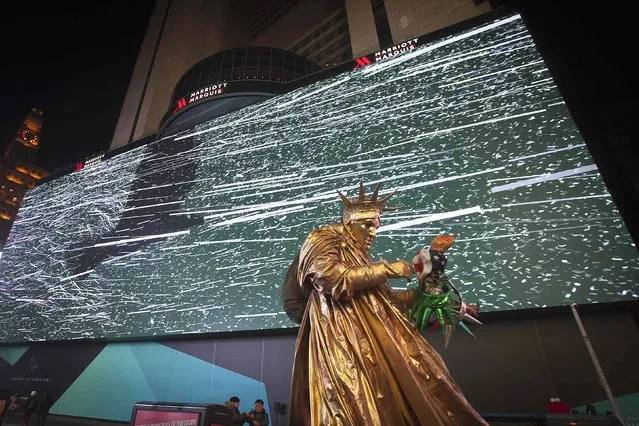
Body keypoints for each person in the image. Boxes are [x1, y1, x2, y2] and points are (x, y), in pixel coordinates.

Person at [286, 183, 487, 425]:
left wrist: (424, 293)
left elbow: (385, 302)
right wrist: (388, 269)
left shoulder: (361, 258)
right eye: (367, 225)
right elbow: (329, 277)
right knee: (353, 403)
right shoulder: (324, 237)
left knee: (421, 386)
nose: (372, 233)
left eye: (376, 227)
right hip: (341, 337)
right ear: (349, 220)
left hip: (375, 342)